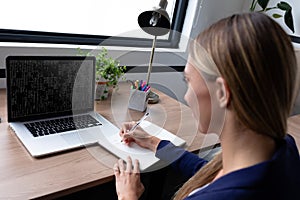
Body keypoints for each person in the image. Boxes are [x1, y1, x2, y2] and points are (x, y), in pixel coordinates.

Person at [113, 12, 300, 200]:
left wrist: (127, 196)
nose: (186, 96)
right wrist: (152, 141)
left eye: (188, 81)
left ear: (221, 92)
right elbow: (209, 173)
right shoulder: (283, 147)